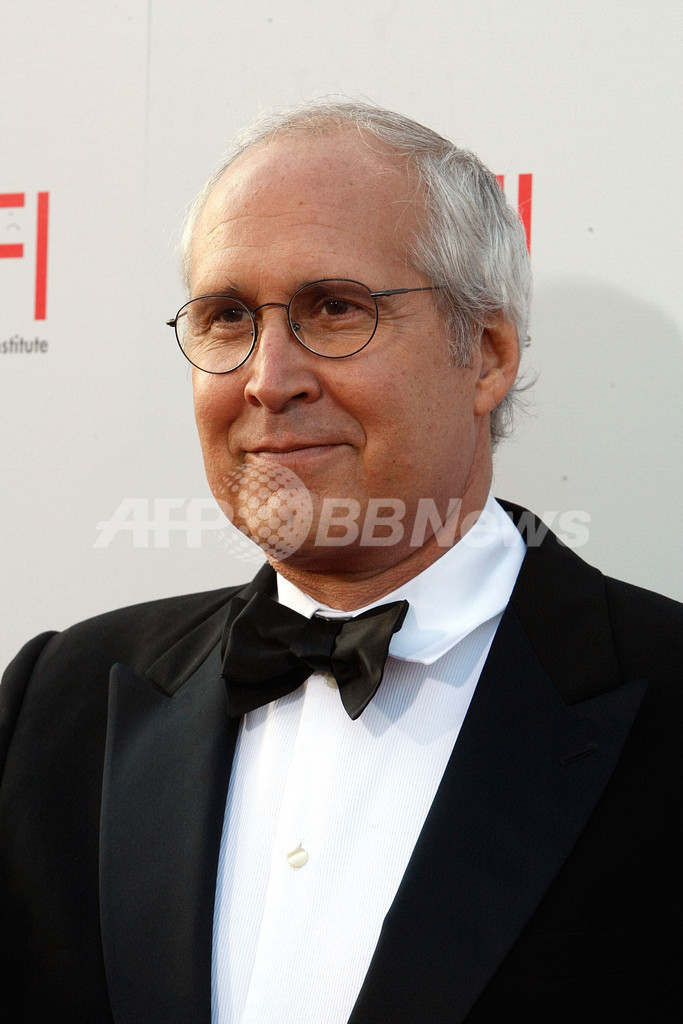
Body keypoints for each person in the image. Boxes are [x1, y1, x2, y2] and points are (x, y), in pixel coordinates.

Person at [0, 100, 681, 1024]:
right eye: (227, 316)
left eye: (333, 309)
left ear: (485, 357)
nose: (267, 379)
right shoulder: (58, 701)